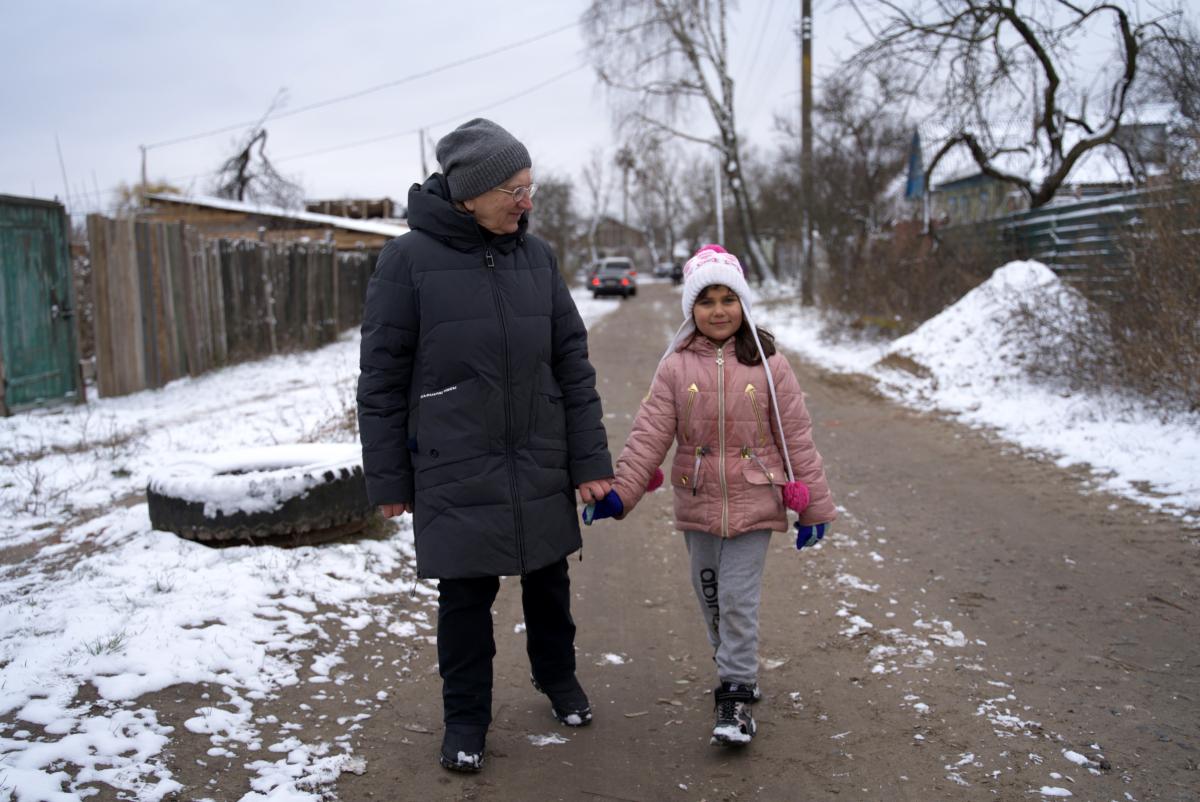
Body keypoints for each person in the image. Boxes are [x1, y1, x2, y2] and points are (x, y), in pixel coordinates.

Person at [356, 118, 614, 773]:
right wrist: (388, 479)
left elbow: (571, 363)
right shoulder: (407, 261)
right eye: (513, 190)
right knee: (466, 598)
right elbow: (382, 379)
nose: (526, 202)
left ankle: (559, 681)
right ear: (468, 192)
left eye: (530, 187)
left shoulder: (539, 257)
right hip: (455, 456)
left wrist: (588, 461)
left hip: (536, 448)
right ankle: (466, 718)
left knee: (548, 578)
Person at [584, 244, 836, 746]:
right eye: (706, 301)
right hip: (697, 503)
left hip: (756, 500)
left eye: (727, 298)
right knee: (712, 597)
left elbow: (797, 438)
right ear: (691, 309)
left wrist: (812, 506)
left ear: (743, 303)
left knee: (739, 599)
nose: (718, 310)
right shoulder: (675, 367)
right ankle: (735, 667)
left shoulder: (770, 364)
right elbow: (650, 433)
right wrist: (622, 490)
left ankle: (736, 693)